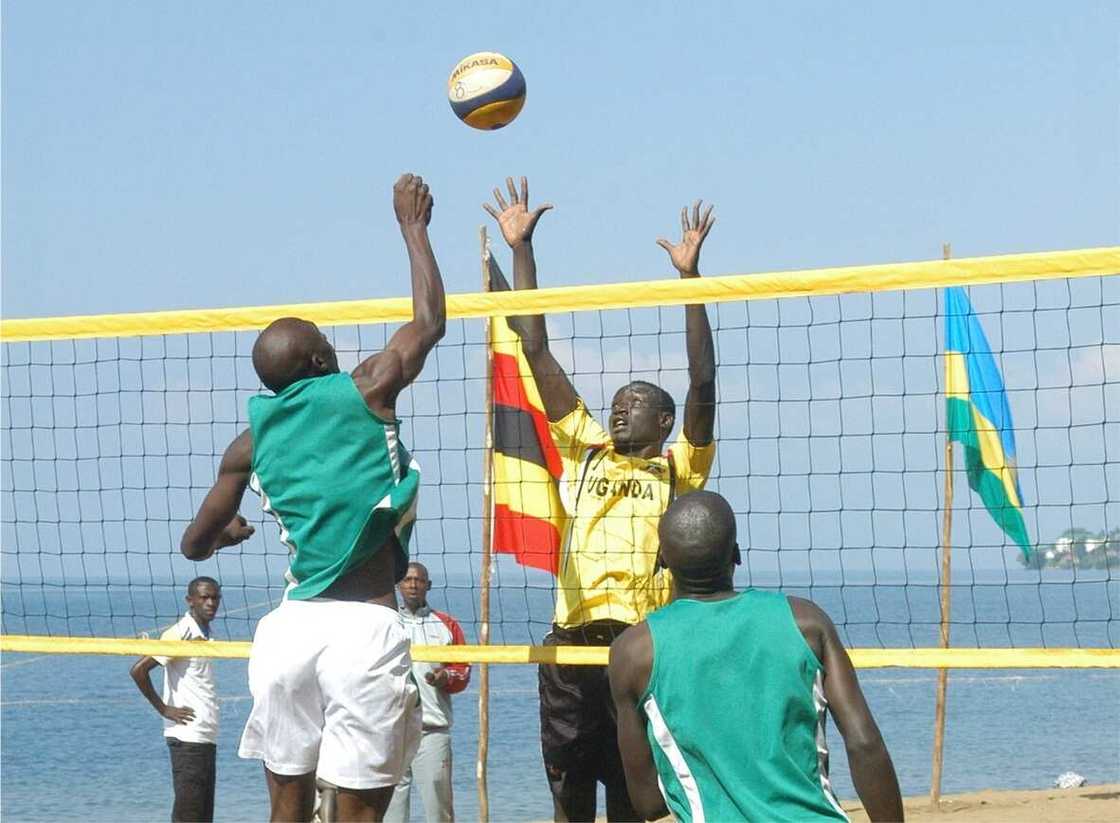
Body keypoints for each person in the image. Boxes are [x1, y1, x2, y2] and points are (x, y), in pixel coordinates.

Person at [179, 172, 445, 823]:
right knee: (359, 814)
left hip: (289, 631)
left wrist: (227, 535)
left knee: (287, 808)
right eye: (328, 343)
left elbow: (193, 546)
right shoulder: (367, 387)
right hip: (364, 627)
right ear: (323, 361)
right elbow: (429, 322)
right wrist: (413, 226)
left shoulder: (249, 443)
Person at [484, 177, 718, 822]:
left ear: (664, 421)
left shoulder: (679, 466)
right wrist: (522, 248)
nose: (619, 410)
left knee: (634, 797)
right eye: (615, 403)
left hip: (641, 644)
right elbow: (535, 347)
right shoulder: (585, 448)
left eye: (633, 403)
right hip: (571, 645)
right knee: (569, 794)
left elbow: (703, 379)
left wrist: (690, 282)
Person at [608, 491, 904, 822]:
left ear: (662, 559)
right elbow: (864, 744)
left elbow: (648, 802)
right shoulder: (806, 623)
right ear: (735, 554)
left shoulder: (633, 652)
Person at [130, 576, 225, 822]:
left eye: (215, 598)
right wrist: (164, 709)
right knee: (188, 815)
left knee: (202, 815)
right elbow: (138, 671)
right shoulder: (180, 632)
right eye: (205, 597)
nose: (211, 603)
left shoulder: (205, 632)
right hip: (187, 738)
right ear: (190, 601)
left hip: (205, 735)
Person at [384, 562, 471, 823]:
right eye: (408, 579)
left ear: (428, 585)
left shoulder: (446, 624)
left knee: (438, 807)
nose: (413, 585)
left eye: (419, 580)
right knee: (391, 809)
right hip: (392, 730)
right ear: (398, 585)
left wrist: (446, 677)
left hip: (432, 729)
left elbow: (463, 671)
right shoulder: (386, 622)